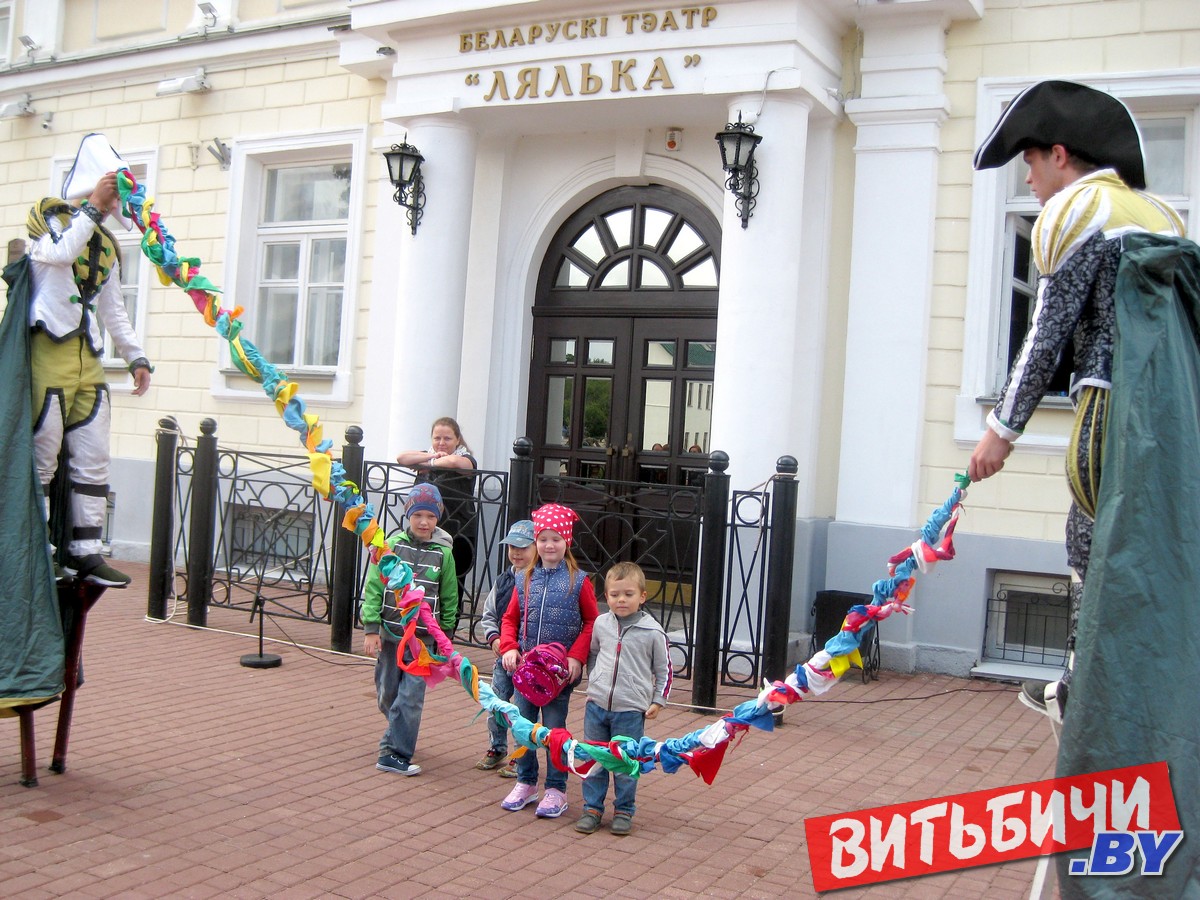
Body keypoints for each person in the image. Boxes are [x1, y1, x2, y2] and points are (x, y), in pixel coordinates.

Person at [972, 81, 1200, 893]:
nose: (1030, 181)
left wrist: (1001, 430)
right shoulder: (1163, 215)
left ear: (1061, 154)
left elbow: (1048, 332)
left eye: (1032, 164)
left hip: (1112, 410)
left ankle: (1084, 678)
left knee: (1090, 545)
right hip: (1177, 416)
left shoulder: (1078, 211)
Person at [27, 134, 153, 587]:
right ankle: (39, 551)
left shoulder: (105, 242)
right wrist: (94, 207)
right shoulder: (50, 221)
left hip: (89, 359)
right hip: (48, 353)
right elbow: (59, 253)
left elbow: (113, 309)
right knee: (42, 459)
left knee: (94, 458)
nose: (117, 201)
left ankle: (86, 551)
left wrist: (136, 356)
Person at [498, 503, 598, 819]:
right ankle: (526, 782)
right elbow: (510, 618)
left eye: (555, 539)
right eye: (543, 539)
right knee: (524, 728)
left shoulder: (579, 581)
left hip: (558, 675)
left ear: (566, 541)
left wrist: (576, 656)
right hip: (526, 671)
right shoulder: (525, 579)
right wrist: (509, 647)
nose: (549, 545)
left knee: (555, 729)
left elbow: (592, 622)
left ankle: (556, 788)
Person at [361, 483, 458, 777]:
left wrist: (445, 636)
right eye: (418, 515)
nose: (424, 522)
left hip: (423, 642)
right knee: (388, 694)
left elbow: (450, 595)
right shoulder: (391, 546)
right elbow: (374, 586)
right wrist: (371, 627)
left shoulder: (444, 553)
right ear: (408, 515)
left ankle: (395, 753)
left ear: (438, 517)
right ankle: (399, 727)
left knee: (411, 698)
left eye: (430, 516)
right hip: (391, 635)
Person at [575, 562, 671, 836]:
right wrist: (595, 680)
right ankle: (592, 809)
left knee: (626, 763)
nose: (621, 600)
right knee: (595, 759)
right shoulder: (601, 624)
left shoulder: (653, 632)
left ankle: (624, 810)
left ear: (642, 596)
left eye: (628, 594)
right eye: (615, 594)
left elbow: (664, 670)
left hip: (630, 710)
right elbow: (594, 653)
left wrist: (658, 700)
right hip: (597, 706)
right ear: (606, 596)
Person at [397, 417, 478, 630]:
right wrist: (431, 456)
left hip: (458, 533)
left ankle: (446, 633)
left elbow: (454, 463)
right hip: (425, 533)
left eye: (447, 438)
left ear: (458, 439)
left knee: (451, 587)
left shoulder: (466, 458)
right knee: (421, 581)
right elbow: (401, 457)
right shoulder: (429, 454)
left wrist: (429, 464)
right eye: (437, 438)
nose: (441, 443)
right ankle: (419, 629)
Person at [475, 519, 536, 775]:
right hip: (503, 656)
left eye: (523, 547)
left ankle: (520, 755)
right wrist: (494, 638)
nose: (516, 552)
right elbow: (489, 614)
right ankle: (497, 746)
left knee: (522, 709)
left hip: (528, 659)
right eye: (512, 547)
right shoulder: (503, 580)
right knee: (496, 701)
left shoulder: (540, 580)